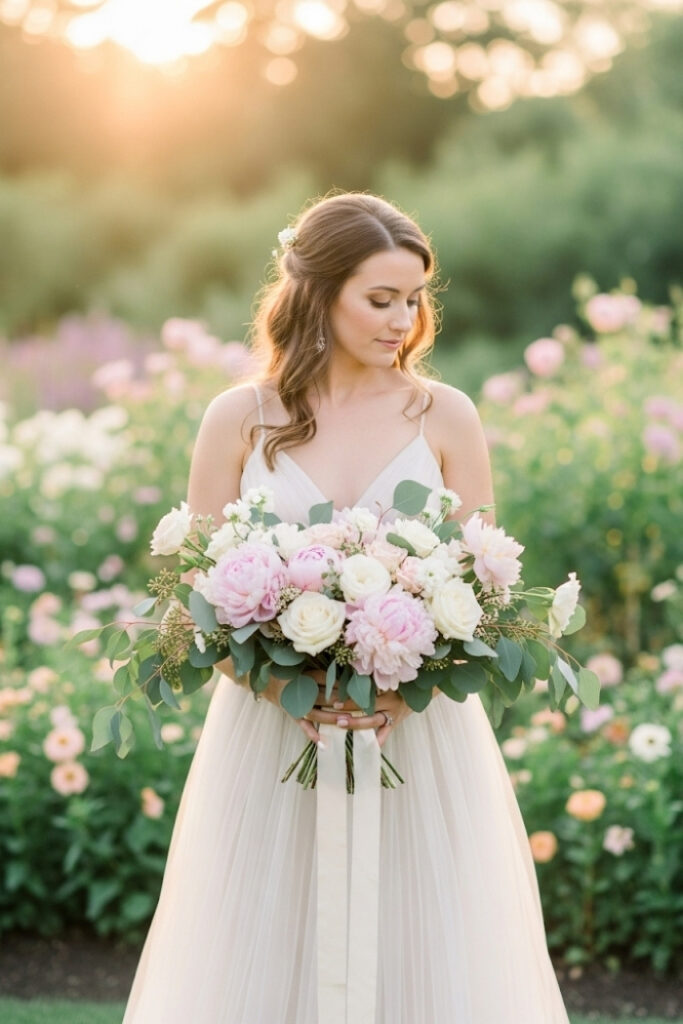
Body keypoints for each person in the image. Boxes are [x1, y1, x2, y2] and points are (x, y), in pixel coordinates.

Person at [121, 191, 570, 1023]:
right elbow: (197, 591)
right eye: (380, 298)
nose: (402, 319)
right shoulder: (240, 419)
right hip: (269, 731)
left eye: (413, 298)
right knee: (262, 933)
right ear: (317, 292)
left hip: (416, 729)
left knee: (426, 933)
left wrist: (408, 689)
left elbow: (485, 591)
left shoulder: (445, 416)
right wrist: (278, 689)